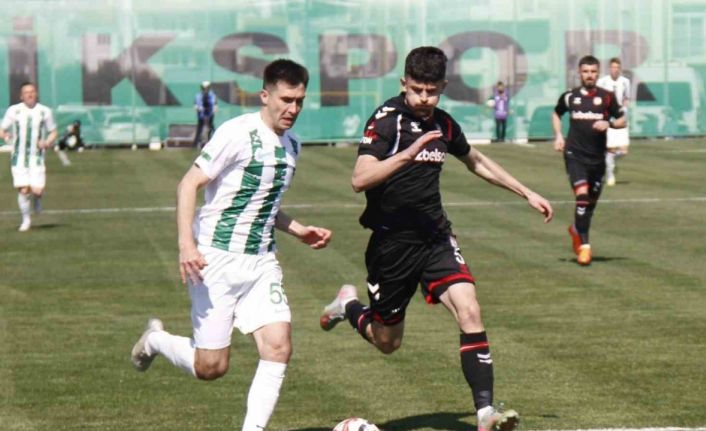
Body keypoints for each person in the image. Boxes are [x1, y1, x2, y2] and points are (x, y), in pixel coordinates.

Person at [319, 47, 553, 431]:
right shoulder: (388, 121)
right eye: (417, 90)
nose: (425, 99)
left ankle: (485, 413)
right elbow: (359, 179)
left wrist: (525, 191)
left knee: (470, 309)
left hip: (435, 237)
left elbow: (475, 160)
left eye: (432, 91)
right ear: (403, 84)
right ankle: (348, 305)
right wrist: (407, 155)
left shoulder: (443, 123)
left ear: (442, 86)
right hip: (392, 246)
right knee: (387, 342)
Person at [131, 59, 332, 431]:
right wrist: (186, 245)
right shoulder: (237, 133)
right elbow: (188, 184)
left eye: (299, 101)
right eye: (286, 100)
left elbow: (261, 204)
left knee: (278, 346)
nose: (293, 109)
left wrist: (298, 230)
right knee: (211, 367)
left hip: (262, 262)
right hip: (215, 259)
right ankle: (156, 340)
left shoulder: (293, 145)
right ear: (265, 95)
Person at [552, 55, 626, 266]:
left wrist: (609, 123)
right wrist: (559, 135)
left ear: (598, 73)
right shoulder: (570, 96)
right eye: (586, 71)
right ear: (580, 73)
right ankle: (585, 247)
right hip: (574, 155)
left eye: (593, 72)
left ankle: (576, 229)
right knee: (582, 196)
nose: (589, 75)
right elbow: (556, 114)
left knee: (589, 206)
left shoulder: (607, 97)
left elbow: (622, 119)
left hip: (597, 158)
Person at [0, 82, 57, 232]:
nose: (29, 94)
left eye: (32, 91)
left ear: (36, 94)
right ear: (21, 96)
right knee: (24, 190)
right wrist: (5, 136)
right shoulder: (14, 110)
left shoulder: (45, 111)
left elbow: (53, 132)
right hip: (18, 157)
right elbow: (2, 129)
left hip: (36, 157)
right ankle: (26, 220)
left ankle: (37, 199)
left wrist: (46, 142)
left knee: (37, 191)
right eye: (26, 92)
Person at [597, 57, 631, 186]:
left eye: (617, 67)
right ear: (609, 68)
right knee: (611, 149)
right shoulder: (602, 82)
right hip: (608, 117)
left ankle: (609, 161)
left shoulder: (625, 82)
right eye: (613, 67)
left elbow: (626, 98)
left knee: (623, 151)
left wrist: (625, 111)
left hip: (620, 117)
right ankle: (610, 175)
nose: (615, 70)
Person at [193, 80, 218, 147]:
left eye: (207, 88)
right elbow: (195, 106)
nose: (205, 90)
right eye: (204, 88)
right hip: (201, 115)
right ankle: (196, 144)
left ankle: (212, 142)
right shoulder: (198, 96)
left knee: (211, 128)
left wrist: (213, 110)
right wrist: (199, 108)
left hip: (210, 115)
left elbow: (215, 106)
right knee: (200, 129)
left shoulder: (213, 96)